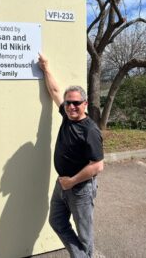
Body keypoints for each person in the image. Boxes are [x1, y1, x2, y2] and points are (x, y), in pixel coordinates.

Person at [38, 53, 104, 258]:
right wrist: (46, 68)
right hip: (63, 184)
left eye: (76, 103)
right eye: (68, 103)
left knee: (85, 236)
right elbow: (56, 91)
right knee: (56, 221)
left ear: (85, 104)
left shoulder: (90, 130)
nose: (71, 107)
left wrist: (72, 181)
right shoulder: (67, 117)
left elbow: (98, 165)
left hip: (80, 188)